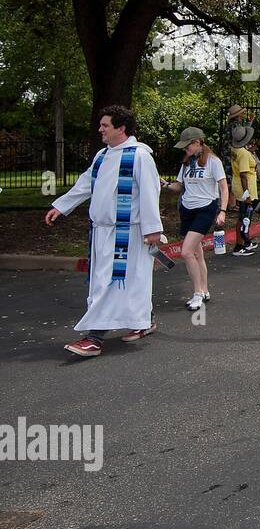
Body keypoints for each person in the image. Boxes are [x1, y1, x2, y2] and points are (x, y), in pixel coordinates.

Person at [44, 106, 164, 356]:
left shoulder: (139, 156)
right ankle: (145, 319)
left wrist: (153, 229)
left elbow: (151, 192)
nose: (100, 129)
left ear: (121, 129)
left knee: (109, 284)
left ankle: (94, 338)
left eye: (105, 125)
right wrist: (61, 206)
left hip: (126, 234)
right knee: (124, 283)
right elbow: (85, 184)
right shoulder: (102, 155)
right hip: (101, 232)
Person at [162, 127, 228, 311]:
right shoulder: (186, 163)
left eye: (187, 146)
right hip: (187, 210)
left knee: (186, 252)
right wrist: (166, 185)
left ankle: (197, 294)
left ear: (198, 142)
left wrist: (222, 210)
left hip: (205, 209)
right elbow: (179, 186)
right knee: (197, 253)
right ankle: (205, 290)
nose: (185, 150)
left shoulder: (213, 162)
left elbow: (223, 187)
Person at [229, 125, 260, 255]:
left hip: (240, 187)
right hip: (245, 189)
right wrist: (247, 194)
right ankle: (239, 246)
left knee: (246, 215)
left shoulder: (236, 150)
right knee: (244, 217)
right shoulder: (243, 154)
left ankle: (246, 241)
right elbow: (243, 174)